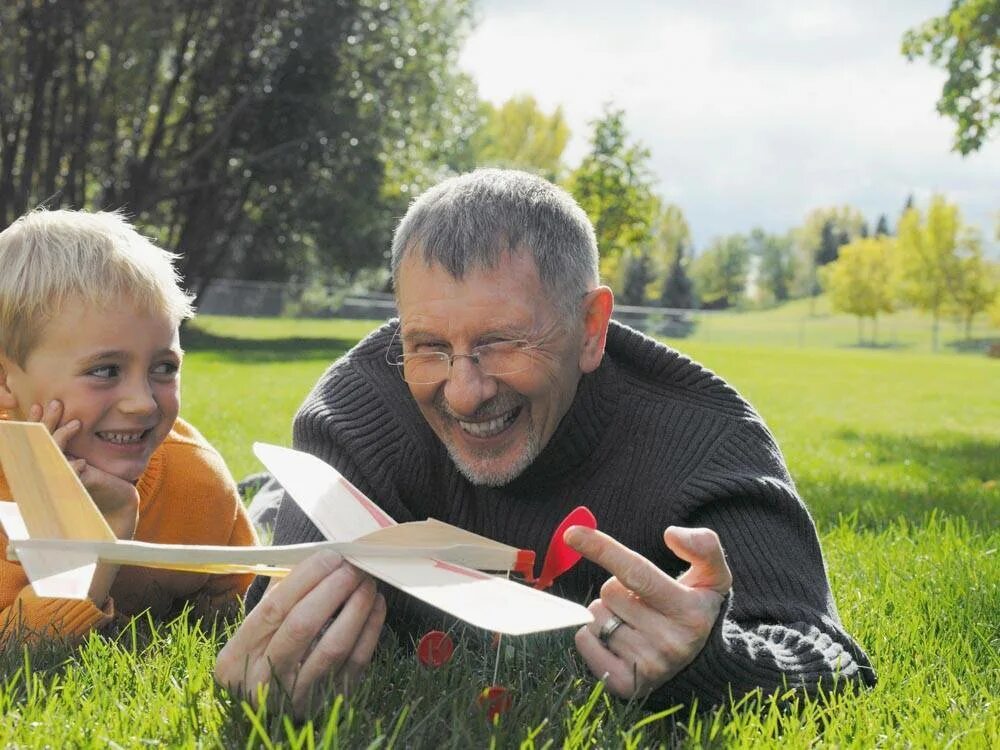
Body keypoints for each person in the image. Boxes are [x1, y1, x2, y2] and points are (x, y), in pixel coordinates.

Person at [216, 169, 875, 715]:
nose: (464, 392)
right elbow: (273, 622)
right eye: (429, 347)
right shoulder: (357, 412)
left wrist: (717, 660)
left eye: (501, 342)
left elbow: (833, 657)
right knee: (271, 509)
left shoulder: (704, 441)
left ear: (590, 328)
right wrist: (281, 658)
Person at [0, 209, 258, 644]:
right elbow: (17, 651)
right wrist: (106, 533)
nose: (142, 403)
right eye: (105, 370)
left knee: (276, 508)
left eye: (163, 367)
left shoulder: (196, 479)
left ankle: (266, 492)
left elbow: (240, 606)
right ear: (7, 384)